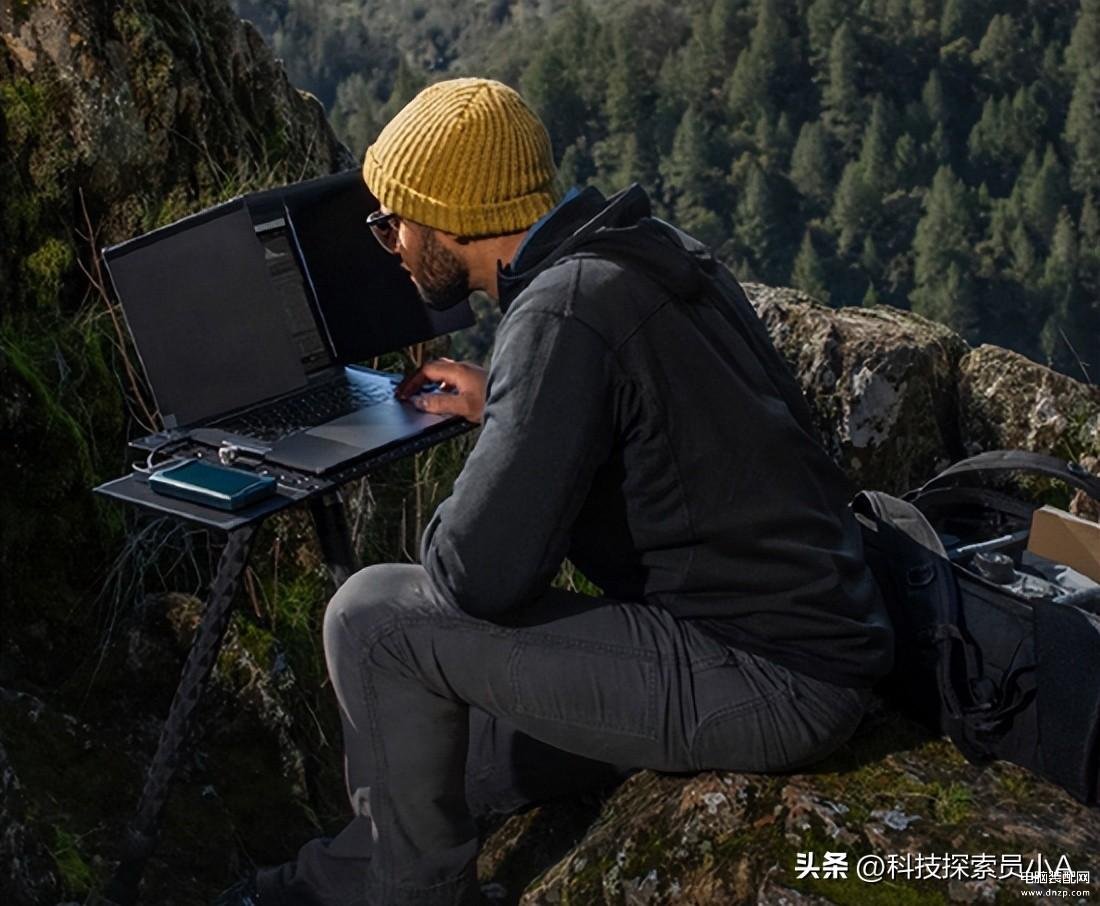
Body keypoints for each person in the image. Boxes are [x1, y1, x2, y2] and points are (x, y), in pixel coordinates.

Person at [222, 77, 893, 906]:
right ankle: (322, 886)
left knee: (375, 623)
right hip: (808, 635)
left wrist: (512, 422)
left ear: (448, 215)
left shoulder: (561, 316)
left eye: (393, 220)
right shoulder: (637, 253)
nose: (390, 242)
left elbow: (477, 576)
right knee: (431, 751)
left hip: (766, 674)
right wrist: (513, 393)